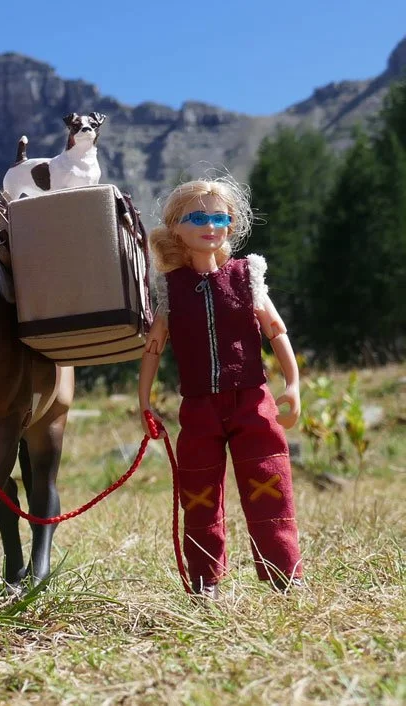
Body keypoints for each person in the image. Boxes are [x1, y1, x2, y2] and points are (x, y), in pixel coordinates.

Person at [138, 177, 304, 598]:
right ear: (176, 228)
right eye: (197, 218)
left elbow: (276, 331)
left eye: (219, 217)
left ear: (231, 224)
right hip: (198, 408)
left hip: (253, 400)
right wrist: (144, 402)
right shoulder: (171, 288)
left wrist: (293, 384)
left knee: (270, 483)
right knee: (198, 494)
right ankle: (204, 580)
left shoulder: (246, 276)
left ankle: (285, 573)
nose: (210, 226)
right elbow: (153, 348)